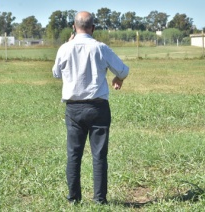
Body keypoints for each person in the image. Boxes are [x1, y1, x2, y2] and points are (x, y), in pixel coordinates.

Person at [52, 11, 129, 204]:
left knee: (73, 155)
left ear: (74, 27)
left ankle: (73, 199)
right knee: (99, 156)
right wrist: (118, 77)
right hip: (98, 108)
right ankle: (99, 200)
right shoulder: (100, 48)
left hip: (73, 109)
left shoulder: (65, 48)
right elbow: (123, 70)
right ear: (93, 28)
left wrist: (69, 43)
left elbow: (56, 74)